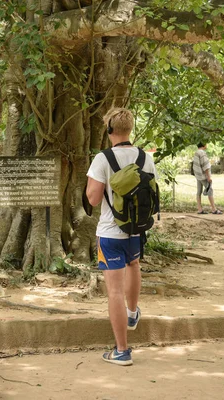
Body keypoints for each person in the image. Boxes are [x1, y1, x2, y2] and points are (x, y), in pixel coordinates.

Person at [86, 107, 157, 366]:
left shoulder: (102, 159)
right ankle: (132, 313)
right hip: (136, 230)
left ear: (108, 130)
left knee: (113, 290)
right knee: (134, 264)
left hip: (109, 233)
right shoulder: (144, 157)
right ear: (130, 129)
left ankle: (122, 351)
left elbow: (93, 199)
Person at [192, 142, 222, 214]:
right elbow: (206, 166)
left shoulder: (196, 152)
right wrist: (208, 177)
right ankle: (214, 209)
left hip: (198, 175)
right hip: (203, 176)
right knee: (210, 190)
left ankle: (199, 209)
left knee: (199, 192)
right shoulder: (202, 153)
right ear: (204, 145)